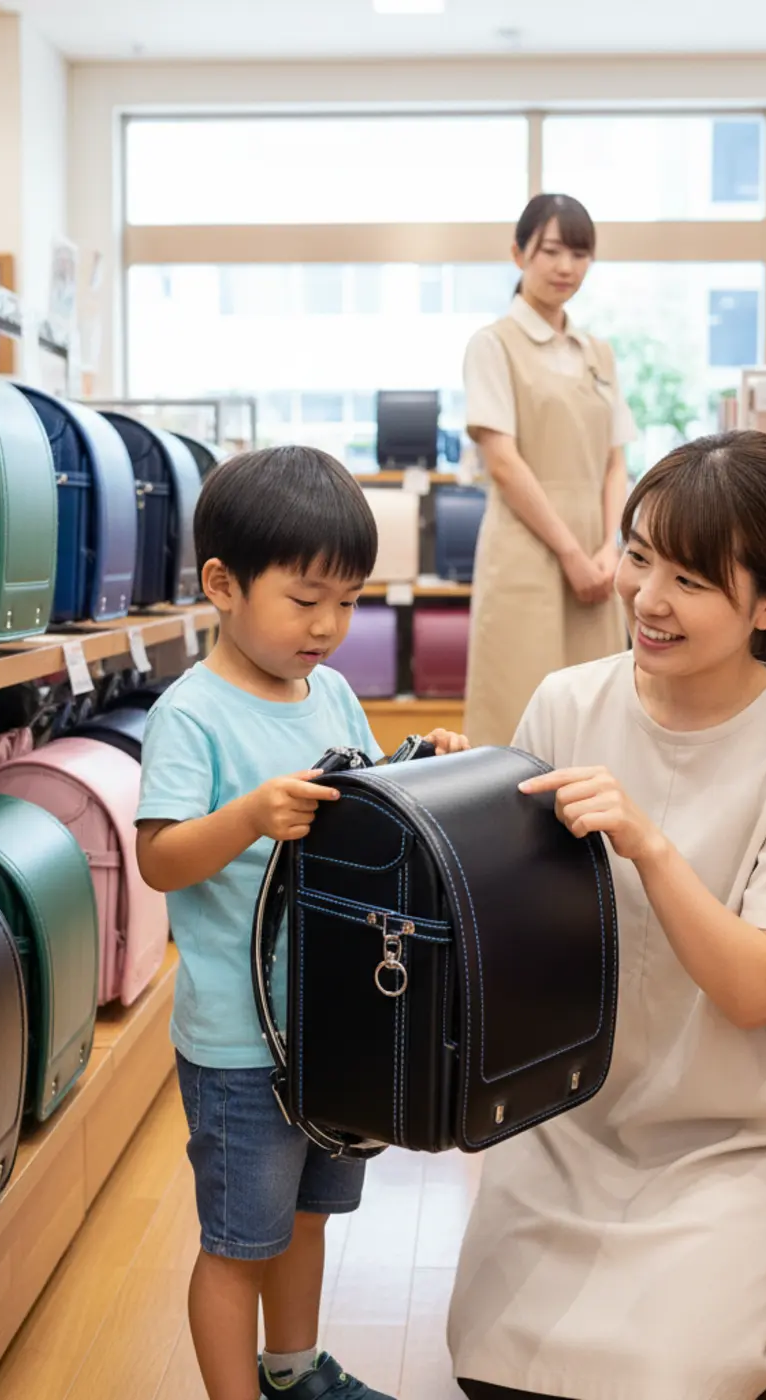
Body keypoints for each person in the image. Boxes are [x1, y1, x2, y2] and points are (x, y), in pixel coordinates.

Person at [446, 432, 766, 1400]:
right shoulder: (565, 701)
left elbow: (755, 988)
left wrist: (650, 844)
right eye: (637, 555)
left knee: (663, 1381)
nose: (645, 597)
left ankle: (757, 1259)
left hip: (729, 1129)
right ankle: (741, 1281)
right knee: (493, 1371)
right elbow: (505, 927)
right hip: (567, 1115)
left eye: (688, 578)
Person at [134, 445, 469, 1400]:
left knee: (311, 1217)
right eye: (306, 599)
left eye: (348, 601)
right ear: (223, 586)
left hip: (329, 1023)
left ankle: (293, 1372)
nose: (329, 626)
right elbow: (160, 858)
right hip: (242, 1041)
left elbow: (362, 808)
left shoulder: (328, 691)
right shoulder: (190, 717)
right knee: (241, 1242)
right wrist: (247, 815)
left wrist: (420, 761)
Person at [461, 192, 637, 748]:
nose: (567, 267)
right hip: (527, 552)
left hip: (597, 554)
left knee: (598, 712)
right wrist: (569, 554)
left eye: (580, 254)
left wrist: (612, 547)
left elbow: (616, 461)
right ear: (519, 254)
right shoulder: (493, 345)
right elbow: (503, 463)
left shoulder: (597, 353)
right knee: (516, 710)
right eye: (552, 251)